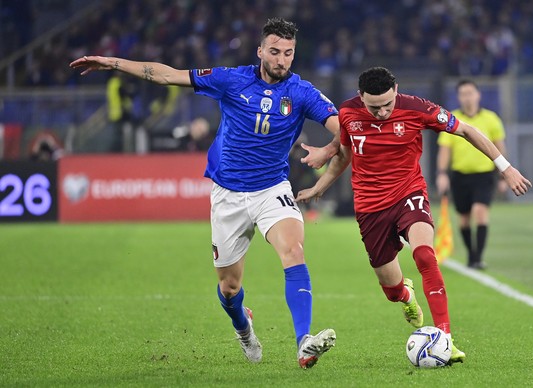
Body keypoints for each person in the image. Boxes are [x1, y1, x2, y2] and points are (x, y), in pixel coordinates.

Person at [70, 18, 339, 369]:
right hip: (227, 193)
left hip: (272, 188)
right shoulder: (231, 79)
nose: (281, 60)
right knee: (229, 288)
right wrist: (111, 63)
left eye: (288, 53)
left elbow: (345, 130)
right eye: (274, 52)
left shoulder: (302, 93)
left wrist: (328, 150)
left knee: (294, 250)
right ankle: (244, 328)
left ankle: (304, 341)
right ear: (260, 51)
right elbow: (166, 74)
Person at [297, 67, 532, 364]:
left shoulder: (418, 108)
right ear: (360, 98)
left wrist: (506, 168)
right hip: (370, 207)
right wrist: (320, 185)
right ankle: (405, 296)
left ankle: (446, 339)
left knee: (424, 255)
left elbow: (467, 131)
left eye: (387, 104)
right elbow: (345, 153)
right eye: (374, 107)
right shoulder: (347, 113)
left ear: (396, 90)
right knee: (391, 289)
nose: (382, 112)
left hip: (410, 193)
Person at [435, 80, 508, 269]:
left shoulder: (491, 119)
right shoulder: (453, 120)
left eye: (470, 93)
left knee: (480, 211)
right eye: (463, 94)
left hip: (484, 175)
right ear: (459, 97)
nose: (467, 97)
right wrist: (442, 173)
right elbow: (445, 150)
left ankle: (478, 258)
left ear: (478, 95)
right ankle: (471, 254)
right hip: (460, 175)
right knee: (464, 219)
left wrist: (503, 175)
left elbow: (500, 147)